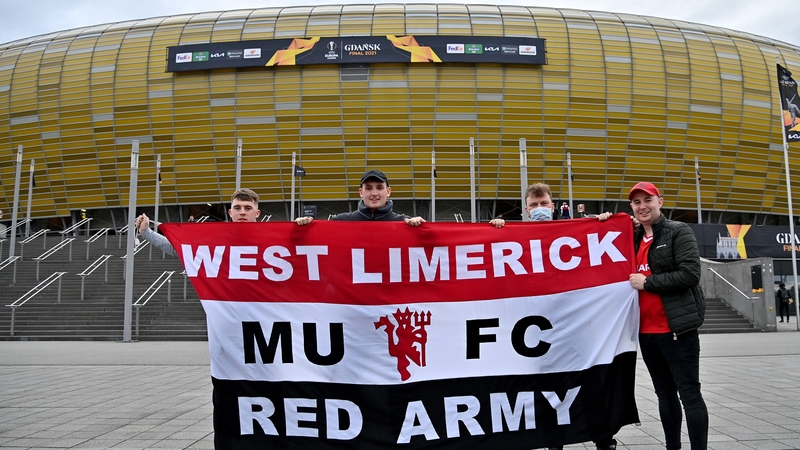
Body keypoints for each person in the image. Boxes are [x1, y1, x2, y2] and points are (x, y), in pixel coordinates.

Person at [489, 183, 618, 450]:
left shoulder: (572, 232)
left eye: (544, 204)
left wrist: (605, 223)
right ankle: (554, 443)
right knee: (547, 389)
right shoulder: (513, 236)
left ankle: (603, 440)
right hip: (537, 332)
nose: (539, 210)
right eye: (534, 206)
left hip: (574, 327)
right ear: (525, 209)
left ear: (553, 206)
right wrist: (493, 231)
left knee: (589, 383)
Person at [628, 181, 708, 450]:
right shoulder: (635, 237)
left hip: (676, 330)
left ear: (659, 202)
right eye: (636, 202)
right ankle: (672, 446)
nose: (642, 206)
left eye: (647, 200)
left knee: (689, 395)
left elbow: (690, 274)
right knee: (664, 395)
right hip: (647, 333)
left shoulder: (677, 231)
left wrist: (647, 282)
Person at [136, 188, 262, 257]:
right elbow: (180, 248)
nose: (242, 212)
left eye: (248, 208)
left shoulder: (272, 239)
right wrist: (146, 232)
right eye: (237, 208)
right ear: (230, 213)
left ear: (257, 213)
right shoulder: (217, 239)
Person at [295, 169, 425, 226]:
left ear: (388, 191)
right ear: (361, 192)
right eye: (368, 188)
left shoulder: (404, 223)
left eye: (379, 188)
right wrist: (304, 227)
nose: (374, 193)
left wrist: (421, 227)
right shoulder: (340, 222)